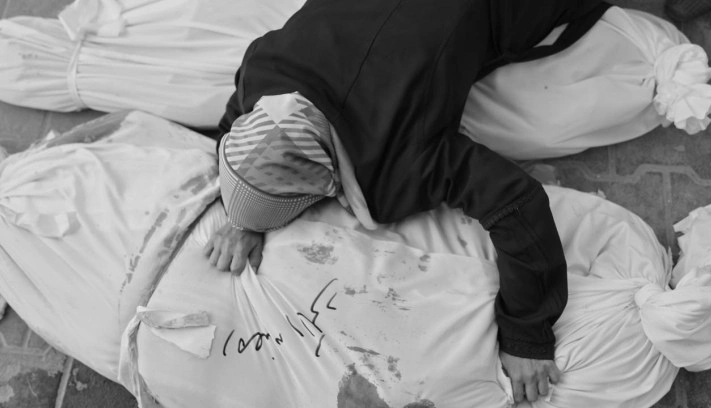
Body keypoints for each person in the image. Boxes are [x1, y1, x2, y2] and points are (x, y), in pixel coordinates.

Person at [203, 0, 612, 403]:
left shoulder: (401, 156)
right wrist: (244, 215)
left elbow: (515, 201)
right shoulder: (264, 69)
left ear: (323, 184)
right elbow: (238, 125)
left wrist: (527, 335)